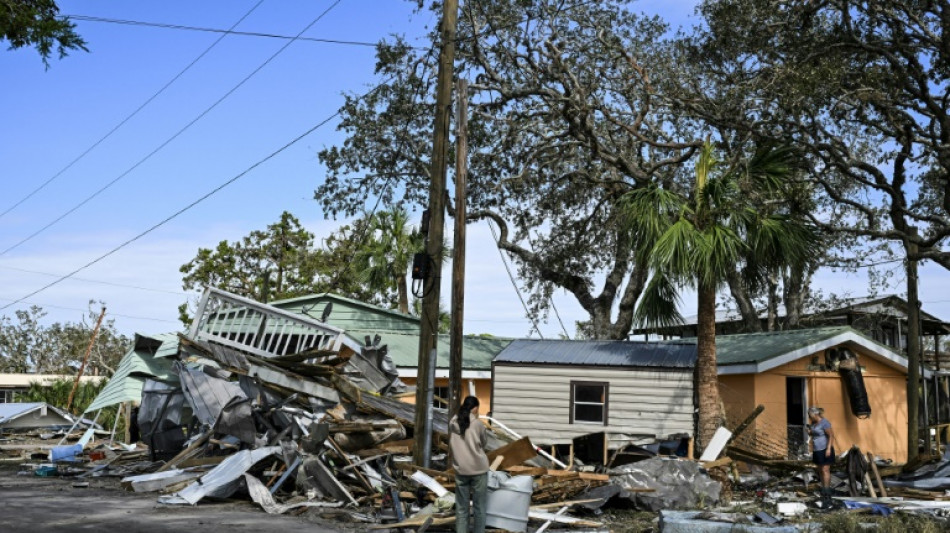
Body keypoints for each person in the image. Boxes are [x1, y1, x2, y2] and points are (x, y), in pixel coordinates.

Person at [449, 396, 489, 533]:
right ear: (475, 408)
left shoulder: (453, 422)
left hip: (461, 470)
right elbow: (484, 443)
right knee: (479, 507)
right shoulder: (477, 424)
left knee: (461, 507)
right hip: (478, 470)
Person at [808, 406, 836, 508]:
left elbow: (831, 435)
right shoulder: (813, 424)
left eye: (810, 416)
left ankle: (827, 492)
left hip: (825, 449)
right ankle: (823, 491)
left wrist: (828, 449)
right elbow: (814, 434)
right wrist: (810, 432)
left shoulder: (825, 422)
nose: (810, 418)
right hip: (817, 450)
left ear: (816, 414)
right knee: (820, 470)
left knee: (825, 469)